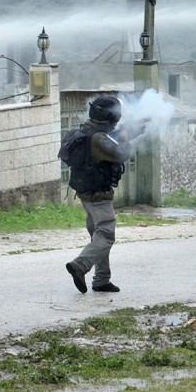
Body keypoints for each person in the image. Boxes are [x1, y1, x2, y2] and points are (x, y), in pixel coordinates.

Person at [64, 95, 131, 294]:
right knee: (106, 235)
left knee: (98, 236)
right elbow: (122, 154)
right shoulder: (99, 139)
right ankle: (80, 265)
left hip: (86, 193)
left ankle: (102, 279)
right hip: (98, 196)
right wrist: (126, 139)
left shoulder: (86, 130)